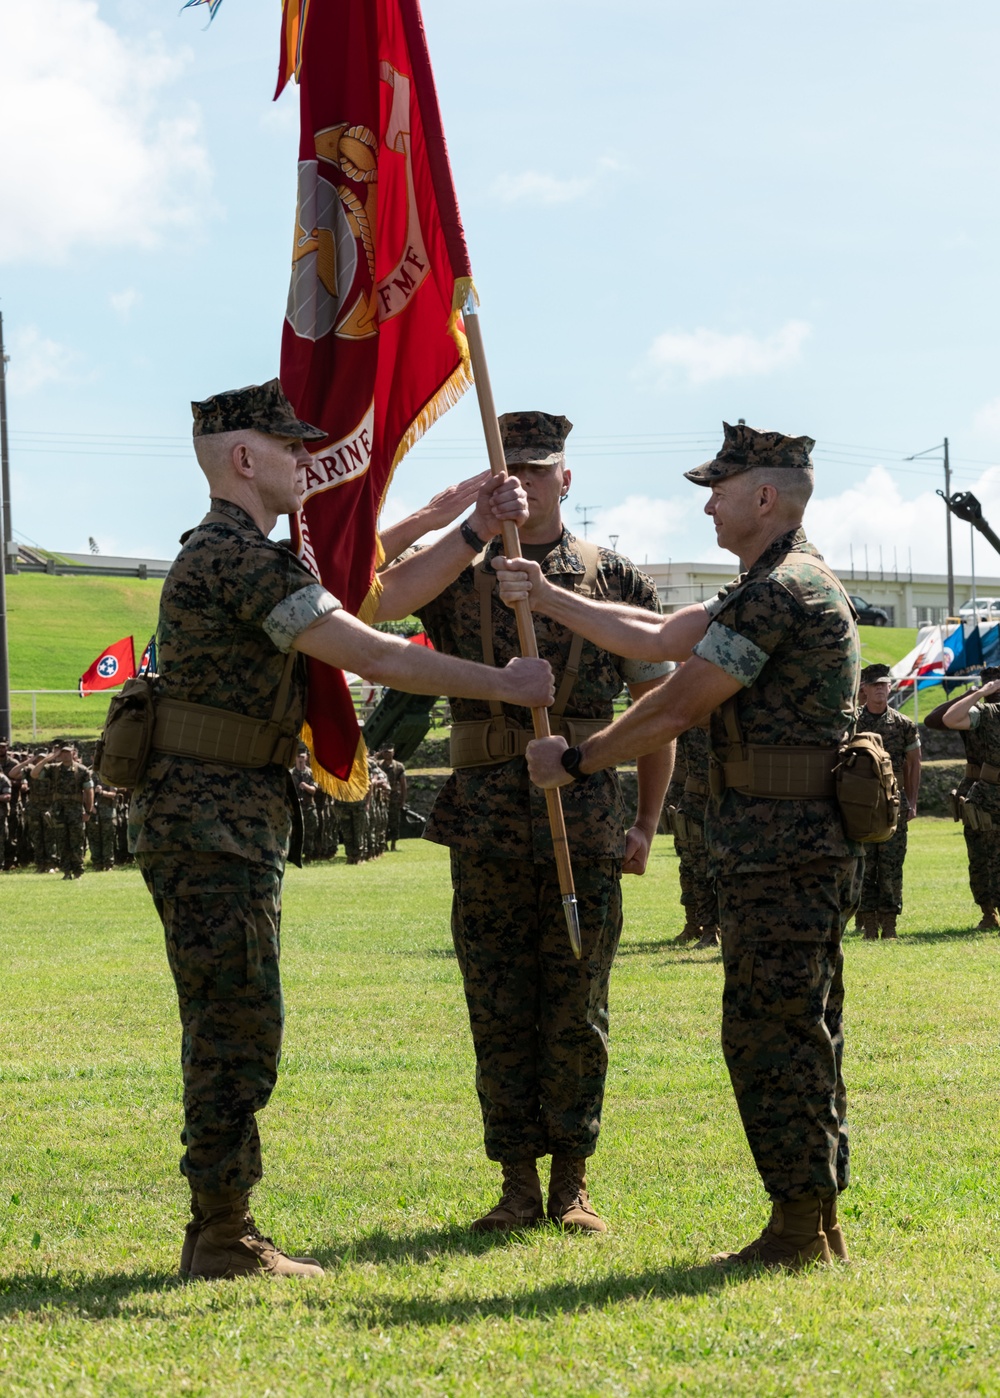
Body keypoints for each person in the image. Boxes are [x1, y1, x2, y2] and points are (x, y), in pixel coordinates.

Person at [127, 377, 553, 1282]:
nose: (306, 460)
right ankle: (222, 1231)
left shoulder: (240, 550)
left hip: (221, 814)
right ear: (245, 460)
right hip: (212, 820)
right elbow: (367, 647)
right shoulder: (236, 558)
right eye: (287, 448)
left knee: (235, 1017)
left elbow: (350, 575)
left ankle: (220, 1222)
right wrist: (505, 684)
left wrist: (451, 518)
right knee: (236, 1024)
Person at [499, 421, 862, 1268]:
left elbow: (677, 702)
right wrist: (548, 598)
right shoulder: (775, 582)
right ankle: (812, 1219)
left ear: (764, 497)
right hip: (784, 847)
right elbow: (657, 637)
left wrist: (579, 759)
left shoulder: (781, 591)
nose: (708, 504)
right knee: (796, 1025)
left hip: (785, 849)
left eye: (721, 490)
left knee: (775, 1032)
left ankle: (800, 1227)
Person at [404, 411, 673, 1234]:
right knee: (496, 997)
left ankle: (573, 1182)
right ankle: (517, 1182)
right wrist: (467, 529)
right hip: (486, 809)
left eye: (539, 469)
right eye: (506, 470)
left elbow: (656, 703)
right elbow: (375, 598)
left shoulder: (611, 575)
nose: (524, 481)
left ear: (566, 478)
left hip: (587, 808)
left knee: (578, 994)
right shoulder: (459, 565)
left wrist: (646, 824)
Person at [925, 668, 1000, 929]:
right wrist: (973, 693)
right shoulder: (975, 712)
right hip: (979, 792)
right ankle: (988, 912)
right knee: (980, 854)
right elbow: (935, 720)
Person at [853, 663, 921, 940]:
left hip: (893, 803)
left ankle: (889, 923)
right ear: (865, 690)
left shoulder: (904, 724)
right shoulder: (853, 721)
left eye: (885, 684)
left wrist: (912, 802)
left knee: (892, 865)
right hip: (860, 804)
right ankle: (868, 923)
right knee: (865, 865)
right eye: (875, 685)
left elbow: (914, 765)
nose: (881, 689)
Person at [666, 722, 720, 948]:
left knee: (710, 871)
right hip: (694, 803)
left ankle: (712, 929)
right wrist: (672, 799)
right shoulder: (690, 718)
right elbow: (678, 765)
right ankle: (695, 925)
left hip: (724, 803)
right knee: (691, 867)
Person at [32, 742, 94, 879]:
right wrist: (48, 758)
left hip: (75, 810)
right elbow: (34, 774)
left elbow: (89, 791)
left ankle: (78, 871)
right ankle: (66, 871)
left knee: (76, 841)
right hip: (59, 811)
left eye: (67, 752)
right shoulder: (53, 769)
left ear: (73, 753)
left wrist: (88, 811)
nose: (65, 755)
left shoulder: (82, 770)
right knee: (61, 841)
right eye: (62, 752)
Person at [290, 750, 320, 860]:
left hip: (309, 807)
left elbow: (313, 790)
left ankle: (308, 855)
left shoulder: (311, 773)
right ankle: (295, 855)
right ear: (295, 758)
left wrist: (305, 786)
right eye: (298, 756)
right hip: (295, 808)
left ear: (306, 758)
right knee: (295, 832)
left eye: (302, 756)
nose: (300, 759)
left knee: (310, 831)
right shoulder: (290, 773)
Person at [378, 746, 407, 851]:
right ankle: (383, 843)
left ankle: (393, 843)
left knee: (394, 821)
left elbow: (403, 784)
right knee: (382, 821)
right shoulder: (378, 765)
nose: (387, 754)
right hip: (381, 797)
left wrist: (403, 799)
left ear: (393, 753)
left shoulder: (399, 766)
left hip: (394, 798)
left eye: (389, 752)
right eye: (385, 752)